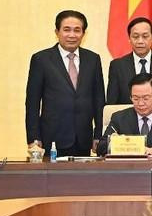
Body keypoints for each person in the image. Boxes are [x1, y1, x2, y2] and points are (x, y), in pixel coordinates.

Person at [25, 10, 105, 156]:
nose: (72, 35)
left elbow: (99, 100)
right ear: (57, 32)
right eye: (66, 30)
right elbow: (32, 103)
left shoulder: (93, 59)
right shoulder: (41, 59)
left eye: (77, 30)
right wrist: (34, 138)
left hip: (83, 139)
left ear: (83, 33)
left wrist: (99, 135)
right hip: (51, 139)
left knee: (83, 179)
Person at [96, 73, 152, 156]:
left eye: (146, 98)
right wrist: (117, 142)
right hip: (128, 169)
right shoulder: (119, 118)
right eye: (135, 98)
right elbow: (100, 148)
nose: (140, 103)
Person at [106, 17, 152, 105]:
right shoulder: (117, 66)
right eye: (135, 36)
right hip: (127, 118)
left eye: (145, 36)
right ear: (129, 38)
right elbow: (112, 104)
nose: (140, 41)